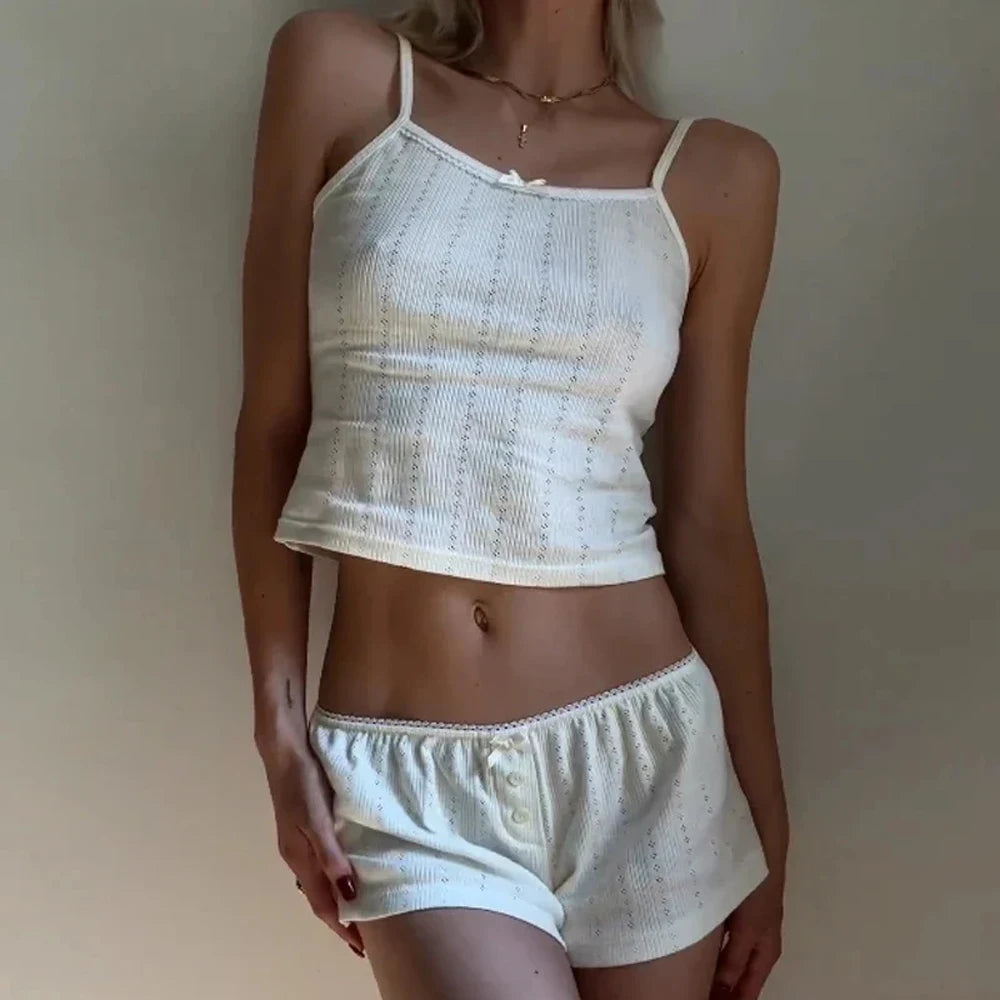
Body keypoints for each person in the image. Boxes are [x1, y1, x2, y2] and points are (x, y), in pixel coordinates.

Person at [233, 1, 788, 997]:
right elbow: (274, 422)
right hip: (413, 777)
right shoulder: (339, 73)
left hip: (651, 760)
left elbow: (708, 524)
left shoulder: (720, 174)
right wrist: (278, 735)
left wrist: (766, 826)